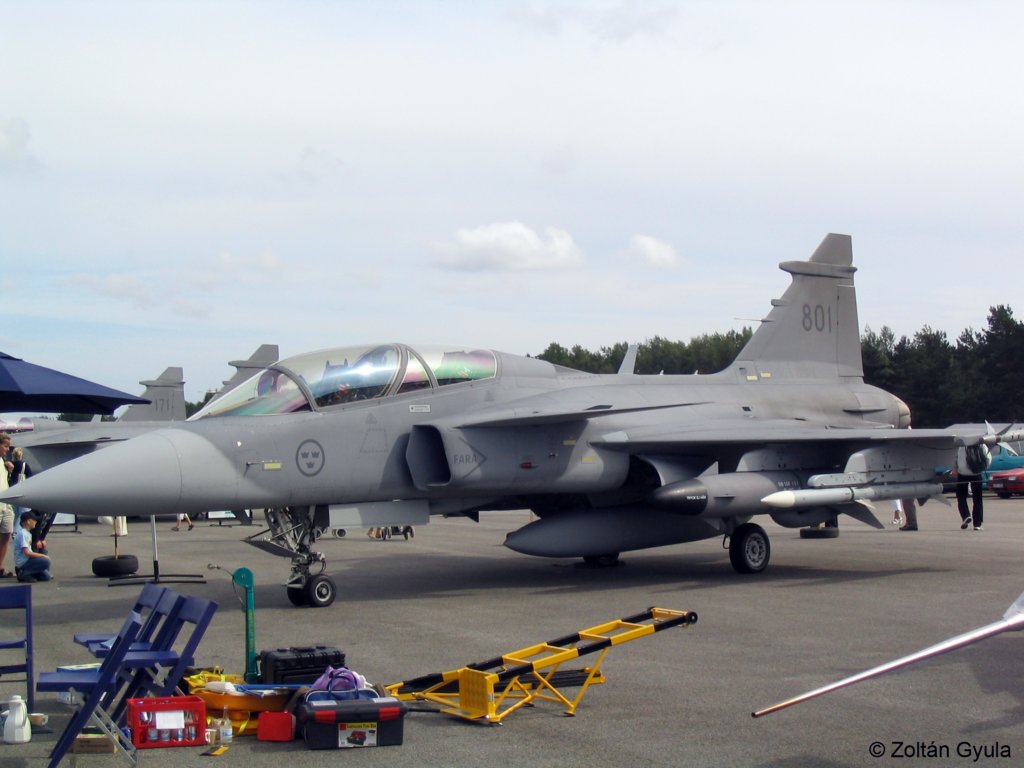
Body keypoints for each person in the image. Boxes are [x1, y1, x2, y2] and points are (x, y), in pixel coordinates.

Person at [956, 444, 988, 531]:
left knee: (961, 496)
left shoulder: (961, 445)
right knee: (977, 499)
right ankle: (977, 524)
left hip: (962, 473)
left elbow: (956, 458)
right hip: (976, 473)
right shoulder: (980, 444)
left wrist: (956, 468)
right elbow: (987, 458)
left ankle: (965, 515)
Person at [13, 511, 51, 582]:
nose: (36, 522)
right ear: (28, 521)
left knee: (46, 577)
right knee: (46, 562)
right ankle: (23, 573)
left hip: (27, 559)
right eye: (34, 520)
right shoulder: (23, 534)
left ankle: (30, 573)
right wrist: (42, 556)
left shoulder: (28, 533)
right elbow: (27, 552)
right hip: (23, 561)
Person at [0, 432, 14, 577]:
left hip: (5, 505)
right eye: (5, 446)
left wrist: (9, 471)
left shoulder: (4, 463)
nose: (7, 449)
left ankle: (0, 567)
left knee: (6, 535)